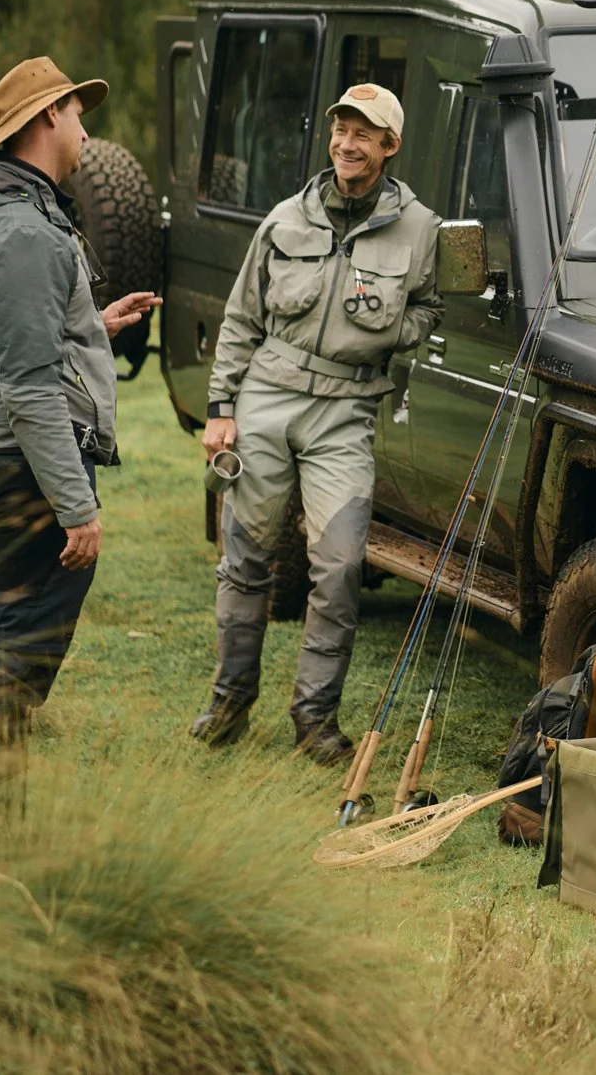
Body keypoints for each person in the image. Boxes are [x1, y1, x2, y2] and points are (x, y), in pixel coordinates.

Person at [0, 57, 159, 821]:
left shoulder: (8, 214)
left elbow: (19, 343)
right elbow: (27, 386)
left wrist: (94, 323)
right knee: (17, 658)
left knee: (8, 641)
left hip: (3, 451)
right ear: (44, 119)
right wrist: (75, 505)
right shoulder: (21, 230)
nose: (86, 129)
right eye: (76, 112)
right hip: (28, 461)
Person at [191, 83, 443, 763]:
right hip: (267, 398)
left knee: (339, 567)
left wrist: (394, 326)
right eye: (340, 129)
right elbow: (241, 318)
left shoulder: (420, 229)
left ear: (389, 146)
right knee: (245, 559)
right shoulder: (284, 218)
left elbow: (429, 307)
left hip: (346, 411)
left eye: (363, 134)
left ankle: (315, 718)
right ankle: (229, 700)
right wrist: (220, 410)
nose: (346, 144)